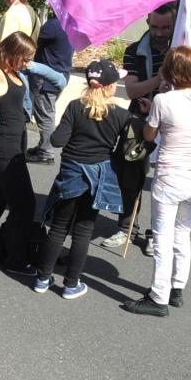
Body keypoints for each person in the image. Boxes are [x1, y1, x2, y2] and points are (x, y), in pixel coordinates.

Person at [124, 46, 191, 317]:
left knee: (162, 237)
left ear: (170, 71)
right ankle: (177, 288)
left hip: (169, 176)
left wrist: (154, 108)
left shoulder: (165, 101)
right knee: (182, 233)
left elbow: (150, 136)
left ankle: (158, 297)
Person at [0, 33, 66, 272]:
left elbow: (56, 78)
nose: (28, 63)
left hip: (14, 145)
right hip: (3, 148)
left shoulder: (17, 74)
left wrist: (28, 64)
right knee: (25, 205)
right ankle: (15, 260)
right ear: (11, 54)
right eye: (25, 58)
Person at [33, 60, 129, 299]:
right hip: (97, 177)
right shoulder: (121, 115)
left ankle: (42, 279)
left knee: (58, 228)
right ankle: (71, 284)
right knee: (83, 230)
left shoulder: (76, 107)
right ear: (110, 86)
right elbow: (129, 148)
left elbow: (57, 141)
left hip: (71, 174)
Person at [105, 2, 178, 252]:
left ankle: (156, 233)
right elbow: (132, 90)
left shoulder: (182, 50)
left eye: (165, 27)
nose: (159, 33)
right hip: (139, 119)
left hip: (173, 123)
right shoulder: (135, 50)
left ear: (175, 22)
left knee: (164, 182)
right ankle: (126, 228)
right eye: (154, 26)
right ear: (147, 22)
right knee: (130, 175)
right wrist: (159, 78)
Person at [26, 15, 74, 165]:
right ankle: (43, 146)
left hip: (46, 78)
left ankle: (46, 152)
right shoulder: (71, 24)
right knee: (46, 112)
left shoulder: (54, 25)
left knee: (45, 115)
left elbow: (32, 42)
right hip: (61, 74)